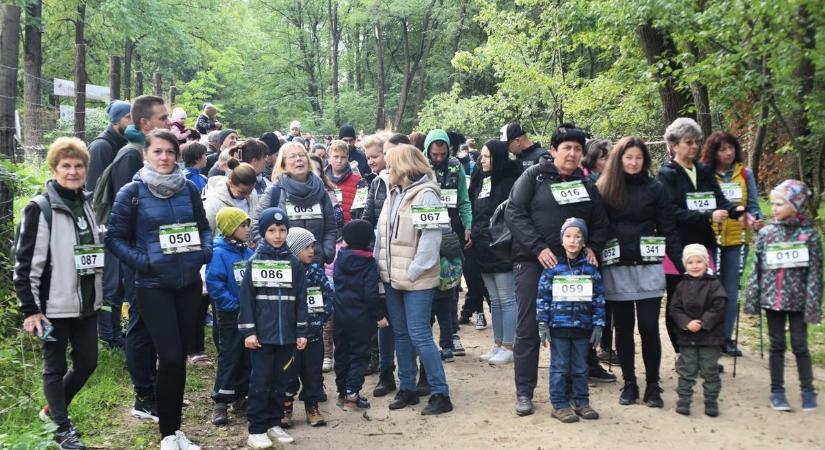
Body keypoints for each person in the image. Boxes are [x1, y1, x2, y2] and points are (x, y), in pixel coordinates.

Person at [106, 129, 211, 450]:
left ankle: (175, 429)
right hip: (153, 286)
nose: (164, 157)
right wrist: (145, 261)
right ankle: (167, 435)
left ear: (177, 155)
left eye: (169, 152)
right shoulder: (131, 192)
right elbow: (114, 238)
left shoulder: (189, 188)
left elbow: (203, 228)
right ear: (146, 155)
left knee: (179, 360)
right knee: (170, 355)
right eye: (158, 152)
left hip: (189, 285)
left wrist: (202, 254)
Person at [505, 123, 610, 417]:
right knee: (528, 327)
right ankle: (524, 392)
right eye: (567, 148)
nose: (573, 154)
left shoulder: (587, 184)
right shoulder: (534, 176)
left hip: (574, 270)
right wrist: (539, 247)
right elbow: (514, 212)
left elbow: (601, 224)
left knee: (571, 328)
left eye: (578, 149)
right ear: (553, 151)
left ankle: (567, 396)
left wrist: (594, 247)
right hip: (533, 262)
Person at [15, 137, 103, 450]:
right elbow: (25, 265)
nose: (72, 171)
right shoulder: (39, 209)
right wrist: (31, 310)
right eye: (65, 166)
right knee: (53, 368)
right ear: (53, 170)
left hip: (87, 302)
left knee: (87, 363)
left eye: (78, 165)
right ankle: (62, 428)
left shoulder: (87, 203)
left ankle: (51, 412)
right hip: (52, 306)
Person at [595, 137, 684, 407]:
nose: (633, 162)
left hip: (648, 265)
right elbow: (598, 227)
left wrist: (682, 265)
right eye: (628, 157)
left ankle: (653, 385)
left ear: (645, 160)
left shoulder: (655, 188)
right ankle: (630, 383)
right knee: (623, 328)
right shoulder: (604, 188)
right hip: (616, 266)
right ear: (619, 158)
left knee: (648, 327)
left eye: (638, 158)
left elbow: (668, 227)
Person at [375, 144, 453, 415]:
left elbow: (432, 238)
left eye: (390, 164)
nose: (387, 169)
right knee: (401, 334)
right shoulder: (392, 192)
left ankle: (441, 393)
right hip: (391, 277)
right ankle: (407, 388)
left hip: (416, 279)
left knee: (419, 334)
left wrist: (414, 271)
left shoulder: (428, 195)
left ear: (404, 166)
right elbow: (381, 235)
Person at [106, 95, 170, 424]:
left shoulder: (151, 159)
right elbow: (123, 225)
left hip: (159, 262)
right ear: (145, 124)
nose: (169, 124)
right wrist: (143, 259)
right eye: (163, 118)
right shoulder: (130, 159)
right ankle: (143, 397)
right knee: (141, 327)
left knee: (155, 327)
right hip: (140, 265)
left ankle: (156, 389)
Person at [656, 117, 743, 354]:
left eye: (696, 142)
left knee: (704, 299)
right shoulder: (667, 174)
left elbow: (719, 199)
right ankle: (681, 352)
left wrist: (737, 211)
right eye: (688, 142)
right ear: (674, 145)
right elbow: (671, 212)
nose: (694, 147)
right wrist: (707, 216)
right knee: (680, 301)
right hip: (677, 247)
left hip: (704, 246)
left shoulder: (704, 171)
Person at [745, 180, 822, 412]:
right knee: (776, 345)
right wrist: (752, 298)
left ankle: (807, 389)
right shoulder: (767, 234)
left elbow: (815, 275)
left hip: (798, 302)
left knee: (800, 345)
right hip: (772, 301)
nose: (775, 208)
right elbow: (756, 269)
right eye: (773, 203)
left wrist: (812, 305)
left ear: (796, 205)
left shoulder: (810, 236)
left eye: (781, 203)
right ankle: (777, 391)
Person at [240, 207, 307, 449]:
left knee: (282, 382)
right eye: (271, 230)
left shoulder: (294, 264)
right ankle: (256, 428)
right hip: (261, 338)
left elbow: (301, 299)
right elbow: (246, 298)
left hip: (287, 337)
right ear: (263, 232)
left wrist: (301, 332)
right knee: (260, 382)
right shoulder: (255, 261)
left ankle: (273, 423)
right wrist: (249, 331)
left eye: (282, 230)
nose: (277, 235)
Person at [700, 132, 763, 357]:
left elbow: (754, 205)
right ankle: (709, 335)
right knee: (709, 291)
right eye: (722, 149)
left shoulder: (745, 174)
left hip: (738, 240)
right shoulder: (704, 174)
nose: (728, 153)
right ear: (713, 152)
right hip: (711, 240)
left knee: (730, 291)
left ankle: (725, 337)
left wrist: (755, 219)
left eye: (731, 148)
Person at [537, 218, 605, 423]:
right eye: (568, 236)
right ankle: (559, 404)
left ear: (584, 242)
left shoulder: (591, 269)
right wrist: (542, 323)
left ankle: (581, 401)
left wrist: (599, 324)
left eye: (577, 236)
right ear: (562, 240)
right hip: (558, 328)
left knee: (580, 367)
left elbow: (599, 299)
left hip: (582, 328)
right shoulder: (553, 268)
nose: (572, 240)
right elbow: (543, 296)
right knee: (559, 367)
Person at [469, 139, 523, 365]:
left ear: (498, 157)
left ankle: (510, 345)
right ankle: (498, 343)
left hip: (502, 248)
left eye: (487, 156)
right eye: (481, 155)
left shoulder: (511, 181)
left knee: (507, 298)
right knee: (495, 299)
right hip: (482, 247)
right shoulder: (480, 178)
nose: (482, 160)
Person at [423, 129, 472, 359]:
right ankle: (426, 340)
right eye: (435, 154)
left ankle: (451, 335)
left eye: (443, 153)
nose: (439, 158)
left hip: (451, 233)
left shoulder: (456, 166)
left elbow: (464, 199)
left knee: (450, 284)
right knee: (428, 286)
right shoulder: (421, 166)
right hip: (426, 232)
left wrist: (468, 225)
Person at [85, 99, 130, 350]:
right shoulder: (101, 147)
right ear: (116, 120)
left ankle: (115, 329)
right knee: (109, 281)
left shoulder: (122, 144)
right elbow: (96, 191)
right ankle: (108, 335)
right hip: (104, 223)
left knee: (119, 281)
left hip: (118, 222)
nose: (132, 123)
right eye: (128, 119)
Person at [206, 207, 254, 426]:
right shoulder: (219, 253)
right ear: (229, 228)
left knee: (247, 355)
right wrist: (233, 305)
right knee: (230, 355)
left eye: (247, 225)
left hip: (248, 315)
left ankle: (240, 396)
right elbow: (215, 284)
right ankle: (221, 401)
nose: (247, 230)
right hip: (230, 315)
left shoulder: (248, 253)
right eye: (242, 225)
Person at [333, 220, 387, 410]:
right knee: (359, 355)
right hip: (361, 318)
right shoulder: (369, 263)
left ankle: (341, 392)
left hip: (339, 314)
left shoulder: (340, 258)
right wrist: (379, 316)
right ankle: (352, 394)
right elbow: (370, 294)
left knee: (341, 353)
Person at [254, 142, 337, 265]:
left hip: (315, 264)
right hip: (284, 265)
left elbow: (330, 228)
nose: (298, 159)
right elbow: (256, 227)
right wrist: (273, 254)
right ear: (283, 164)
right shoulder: (274, 191)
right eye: (292, 156)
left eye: (302, 155)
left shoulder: (321, 191)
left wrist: (325, 253)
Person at [669, 244, 727, 417]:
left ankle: (711, 400)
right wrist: (686, 323)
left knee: (709, 369)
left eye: (699, 261)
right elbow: (674, 309)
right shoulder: (681, 286)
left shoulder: (714, 284)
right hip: (687, 336)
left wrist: (703, 322)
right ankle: (684, 399)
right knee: (687, 368)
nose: (695, 265)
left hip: (710, 336)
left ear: (706, 263)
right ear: (685, 265)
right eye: (690, 262)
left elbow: (720, 305)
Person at [284, 227, 332, 428]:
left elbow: (328, 297)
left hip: (313, 335)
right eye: (305, 247)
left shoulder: (316, 273)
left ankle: (312, 407)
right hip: (289, 338)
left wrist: (321, 318)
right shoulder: (285, 274)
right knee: (287, 375)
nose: (311, 251)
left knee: (313, 373)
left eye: (312, 246)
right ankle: (285, 407)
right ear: (294, 249)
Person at [86, 100, 130, 191]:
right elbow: (94, 189)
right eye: (128, 117)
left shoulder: (124, 143)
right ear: (116, 120)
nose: (133, 121)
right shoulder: (100, 147)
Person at [203, 161, 258, 235]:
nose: (247, 196)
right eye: (242, 192)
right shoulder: (213, 203)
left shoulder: (252, 194)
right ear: (230, 183)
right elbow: (206, 233)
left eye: (250, 191)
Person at [326, 140, 366, 223]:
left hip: (350, 229)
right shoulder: (321, 179)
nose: (339, 160)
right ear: (329, 156)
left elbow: (362, 212)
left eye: (343, 157)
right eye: (336, 156)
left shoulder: (359, 181)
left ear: (347, 157)